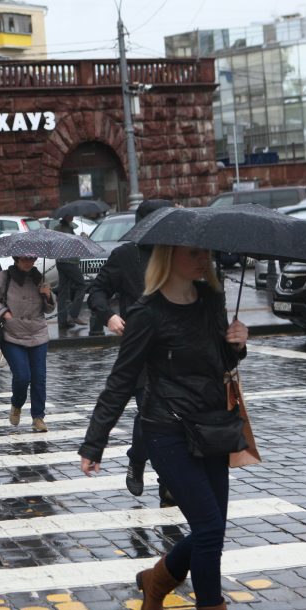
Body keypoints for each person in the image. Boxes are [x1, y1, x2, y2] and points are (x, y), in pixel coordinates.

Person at [77, 245, 255, 610]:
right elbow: (121, 379)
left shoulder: (211, 300)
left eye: (205, 254)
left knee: (212, 531)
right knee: (210, 528)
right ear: (169, 258)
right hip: (168, 431)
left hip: (212, 426)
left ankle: (156, 582)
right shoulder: (147, 313)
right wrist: (94, 442)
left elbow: (219, 363)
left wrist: (236, 345)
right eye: (193, 254)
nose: (203, 260)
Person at [86, 198, 175, 499]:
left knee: (173, 415)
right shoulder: (126, 256)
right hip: (139, 351)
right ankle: (139, 460)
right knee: (149, 413)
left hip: (175, 352)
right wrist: (109, 316)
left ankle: (166, 479)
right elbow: (96, 291)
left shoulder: (177, 254)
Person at [0, 255, 55, 432]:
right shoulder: (4, 276)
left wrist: (48, 296)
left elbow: (49, 309)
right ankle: (16, 404)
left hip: (38, 333)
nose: (28, 262)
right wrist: (4, 313)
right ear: (16, 258)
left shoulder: (40, 277)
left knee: (39, 378)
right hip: (12, 334)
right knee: (23, 376)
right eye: (25, 259)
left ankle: (38, 417)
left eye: (32, 259)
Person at [53, 216, 88, 330]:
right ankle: (73, 314)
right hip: (69, 262)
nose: (73, 216)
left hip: (61, 261)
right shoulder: (65, 229)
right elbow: (70, 245)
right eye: (71, 214)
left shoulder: (59, 227)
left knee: (63, 291)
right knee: (82, 285)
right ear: (66, 216)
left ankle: (62, 321)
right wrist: (82, 239)